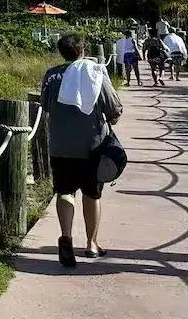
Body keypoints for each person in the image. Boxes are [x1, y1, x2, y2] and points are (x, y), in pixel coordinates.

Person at [41, 33, 123, 267]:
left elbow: (46, 105)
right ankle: (91, 244)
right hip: (92, 145)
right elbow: (113, 107)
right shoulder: (96, 71)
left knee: (65, 192)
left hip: (60, 145)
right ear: (84, 50)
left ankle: (66, 237)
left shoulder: (51, 75)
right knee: (91, 194)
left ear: (61, 52)